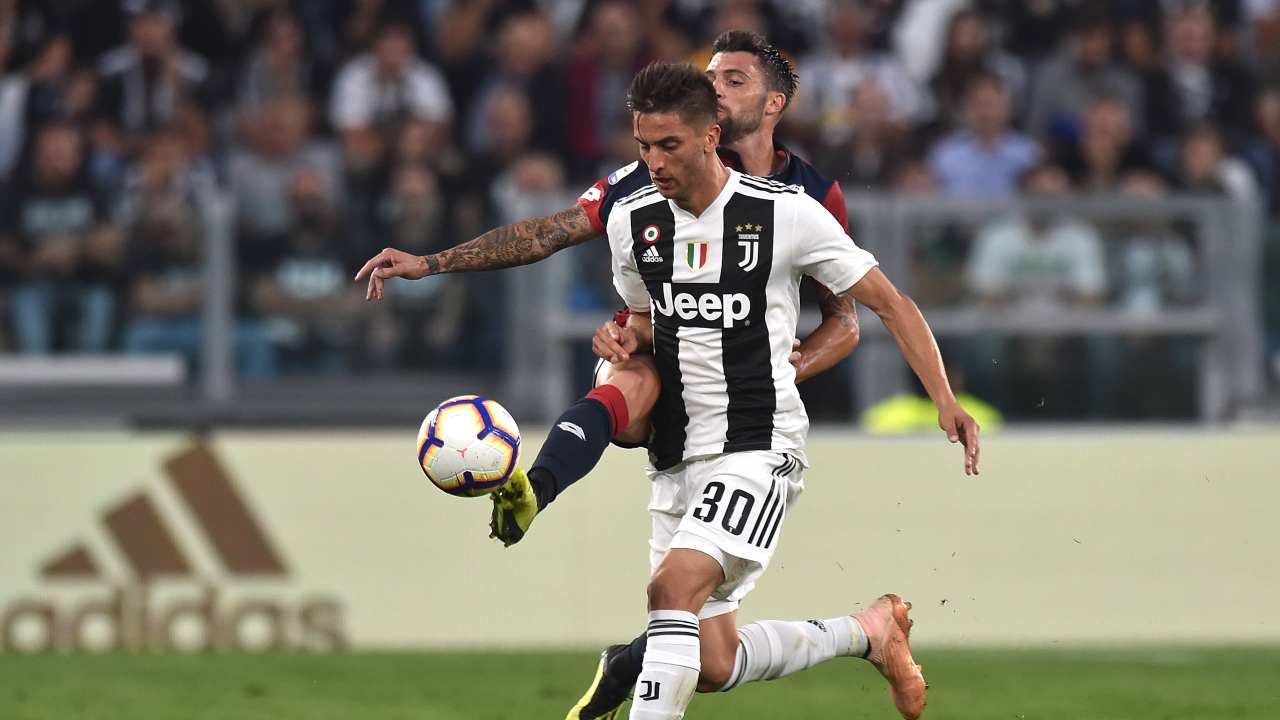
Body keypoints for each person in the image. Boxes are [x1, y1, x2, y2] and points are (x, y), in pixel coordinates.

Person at [576, 62, 976, 720]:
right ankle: (868, 632)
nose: (654, 162)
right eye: (643, 146)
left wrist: (943, 397)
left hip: (759, 445)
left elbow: (887, 301)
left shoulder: (786, 214)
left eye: (669, 145)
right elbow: (647, 323)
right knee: (711, 663)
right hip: (676, 455)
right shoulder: (635, 224)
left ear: (710, 136)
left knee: (670, 591)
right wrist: (623, 340)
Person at [355, 31, 861, 547]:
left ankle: (854, 628)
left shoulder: (813, 196)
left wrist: (787, 368)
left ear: (774, 102)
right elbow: (550, 232)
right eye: (710, 78)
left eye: (733, 80)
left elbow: (844, 320)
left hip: (740, 388)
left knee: (699, 608)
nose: (716, 89)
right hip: (652, 343)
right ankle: (537, 489)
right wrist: (432, 262)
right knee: (630, 379)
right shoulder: (663, 167)